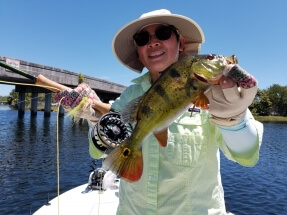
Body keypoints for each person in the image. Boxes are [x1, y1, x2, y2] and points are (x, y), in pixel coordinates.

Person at [55, 9, 263, 215]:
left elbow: (246, 156)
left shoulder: (218, 96)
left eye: (163, 33)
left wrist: (233, 120)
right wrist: (94, 118)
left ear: (181, 43)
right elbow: (97, 150)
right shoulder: (130, 96)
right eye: (143, 38)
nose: (152, 42)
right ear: (138, 51)